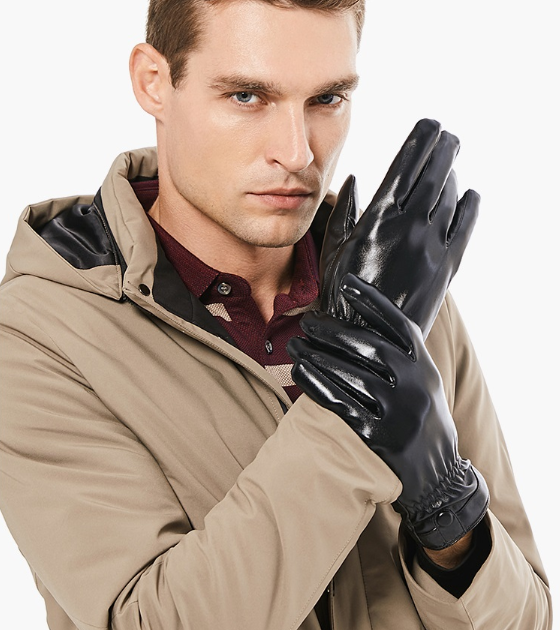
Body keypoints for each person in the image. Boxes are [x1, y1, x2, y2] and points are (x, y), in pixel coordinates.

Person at [0, 1, 552, 629]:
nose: (296, 153)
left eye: (327, 99)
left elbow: (531, 618)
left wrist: (448, 512)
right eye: (247, 97)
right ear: (153, 82)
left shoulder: (400, 297)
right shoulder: (38, 335)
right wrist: (349, 405)